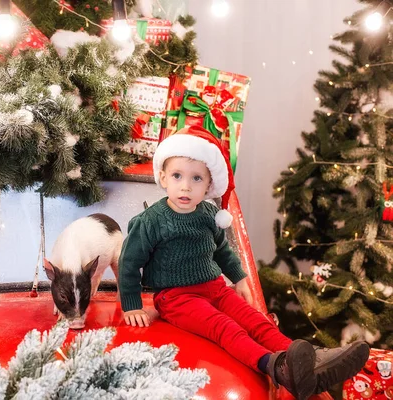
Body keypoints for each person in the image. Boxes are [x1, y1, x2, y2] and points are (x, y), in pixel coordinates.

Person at [118, 126, 370, 399]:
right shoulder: (152, 221)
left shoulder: (207, 213)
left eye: (196, 178)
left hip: (214, 288)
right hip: (176, 298)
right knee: (225, 327)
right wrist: (131, 304)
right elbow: (129, 263)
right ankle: (275, 366)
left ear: (208, 185)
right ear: (163, 178)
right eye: (177, 176)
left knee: (257, 321)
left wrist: (239, 279)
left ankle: (310, 362)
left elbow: (222, 250)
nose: (186, 186)